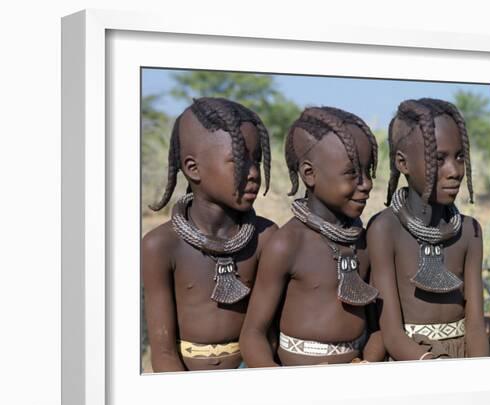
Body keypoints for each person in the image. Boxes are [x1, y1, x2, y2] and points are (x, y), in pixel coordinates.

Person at [240, 106, 386, 367]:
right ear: (309, 174)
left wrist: (368, 364)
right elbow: (253, 334)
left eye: (368, 171)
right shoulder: (287, 244)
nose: (366, 184)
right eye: (352, 172)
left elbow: (377, 328)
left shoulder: (363, 241)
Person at [142, 97, 277, 372]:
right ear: (193, 168)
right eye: (239, 161)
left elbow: (270, 334)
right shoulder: (161, 246)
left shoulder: (266, 238)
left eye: (257, 161)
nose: (253, 174)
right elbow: (163, 350)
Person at [367, 98, 490, 361]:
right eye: (439, 159)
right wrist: (434, 367)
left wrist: (482, 377)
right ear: (403, 163)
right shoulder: (384, 229)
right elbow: (391, 332)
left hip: (463, 359)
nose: (454, 171)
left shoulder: (470, 231)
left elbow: (476, 326)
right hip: (411, 361)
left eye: (459, 157)